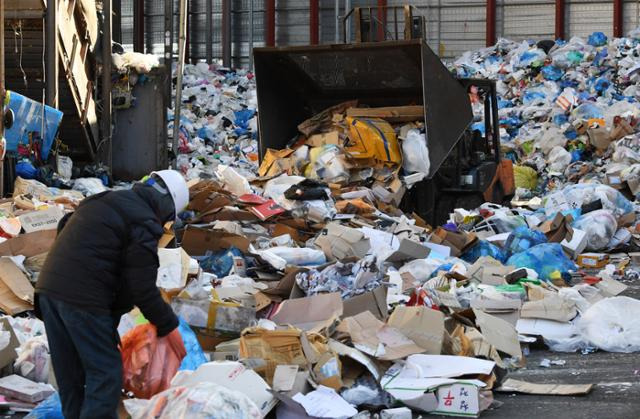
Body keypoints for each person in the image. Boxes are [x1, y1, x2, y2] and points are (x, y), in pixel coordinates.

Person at [35, 170, 189, 419]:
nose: (164, 225)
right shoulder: (144, 220)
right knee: (106, 373)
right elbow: (141, 286)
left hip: (49, 291)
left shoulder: (106, 199)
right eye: (169, 218)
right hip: (83, 298)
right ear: (166, 205)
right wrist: (168, 325)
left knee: (71, 376)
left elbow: (66, 226)